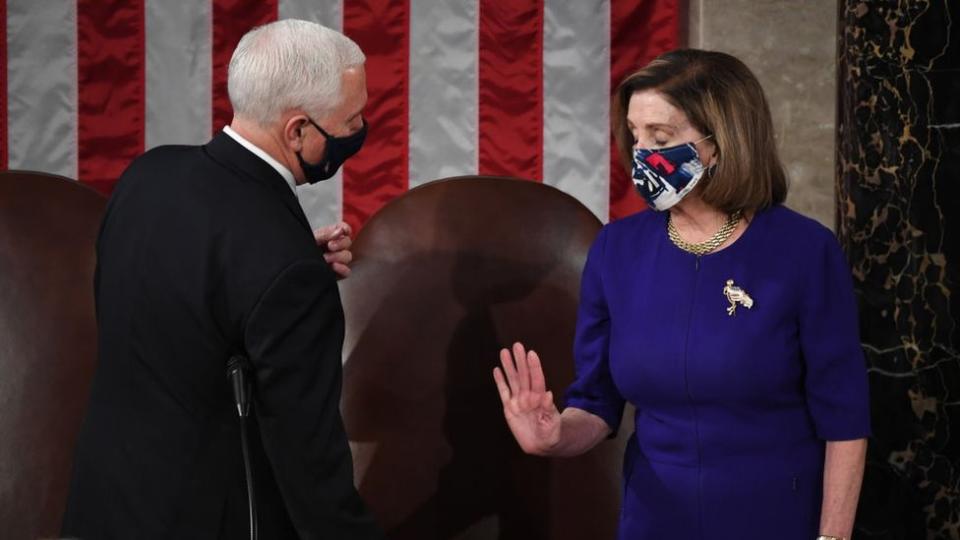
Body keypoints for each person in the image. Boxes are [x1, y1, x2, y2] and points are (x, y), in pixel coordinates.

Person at [493, 49, 870, 540]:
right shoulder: (616, 250)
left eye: (661, 138)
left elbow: (844, 417)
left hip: (776, 516)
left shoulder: (804, 251)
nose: (641, 154)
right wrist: (556, 435)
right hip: (655, 519)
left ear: (719, 144)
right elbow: (597, 401)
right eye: (635, 136)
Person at [62, 20, 382, 539]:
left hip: (101, 507)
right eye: (351, 120)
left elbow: (165, 311)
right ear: (297, 131)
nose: (359, 129)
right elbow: (309, 460)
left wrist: (275, 281)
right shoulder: (285, 266)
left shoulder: (147, 175)